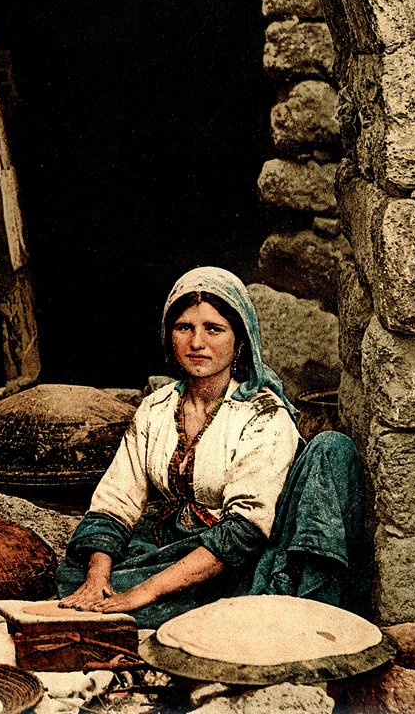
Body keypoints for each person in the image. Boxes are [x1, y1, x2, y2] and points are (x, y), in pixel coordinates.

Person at [56, 267, 370, 627]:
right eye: (184, 328)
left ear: (240, 340)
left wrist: (147, 591)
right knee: (77, 572)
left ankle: (243, 607)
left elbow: (245, 532)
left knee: (180, 595)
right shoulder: (155, 409)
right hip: (178, 549)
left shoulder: (263, 413)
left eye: (214, 329)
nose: (197, 343)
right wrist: (98, 580)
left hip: (238, 556)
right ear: (169, 336)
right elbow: (115, 503)